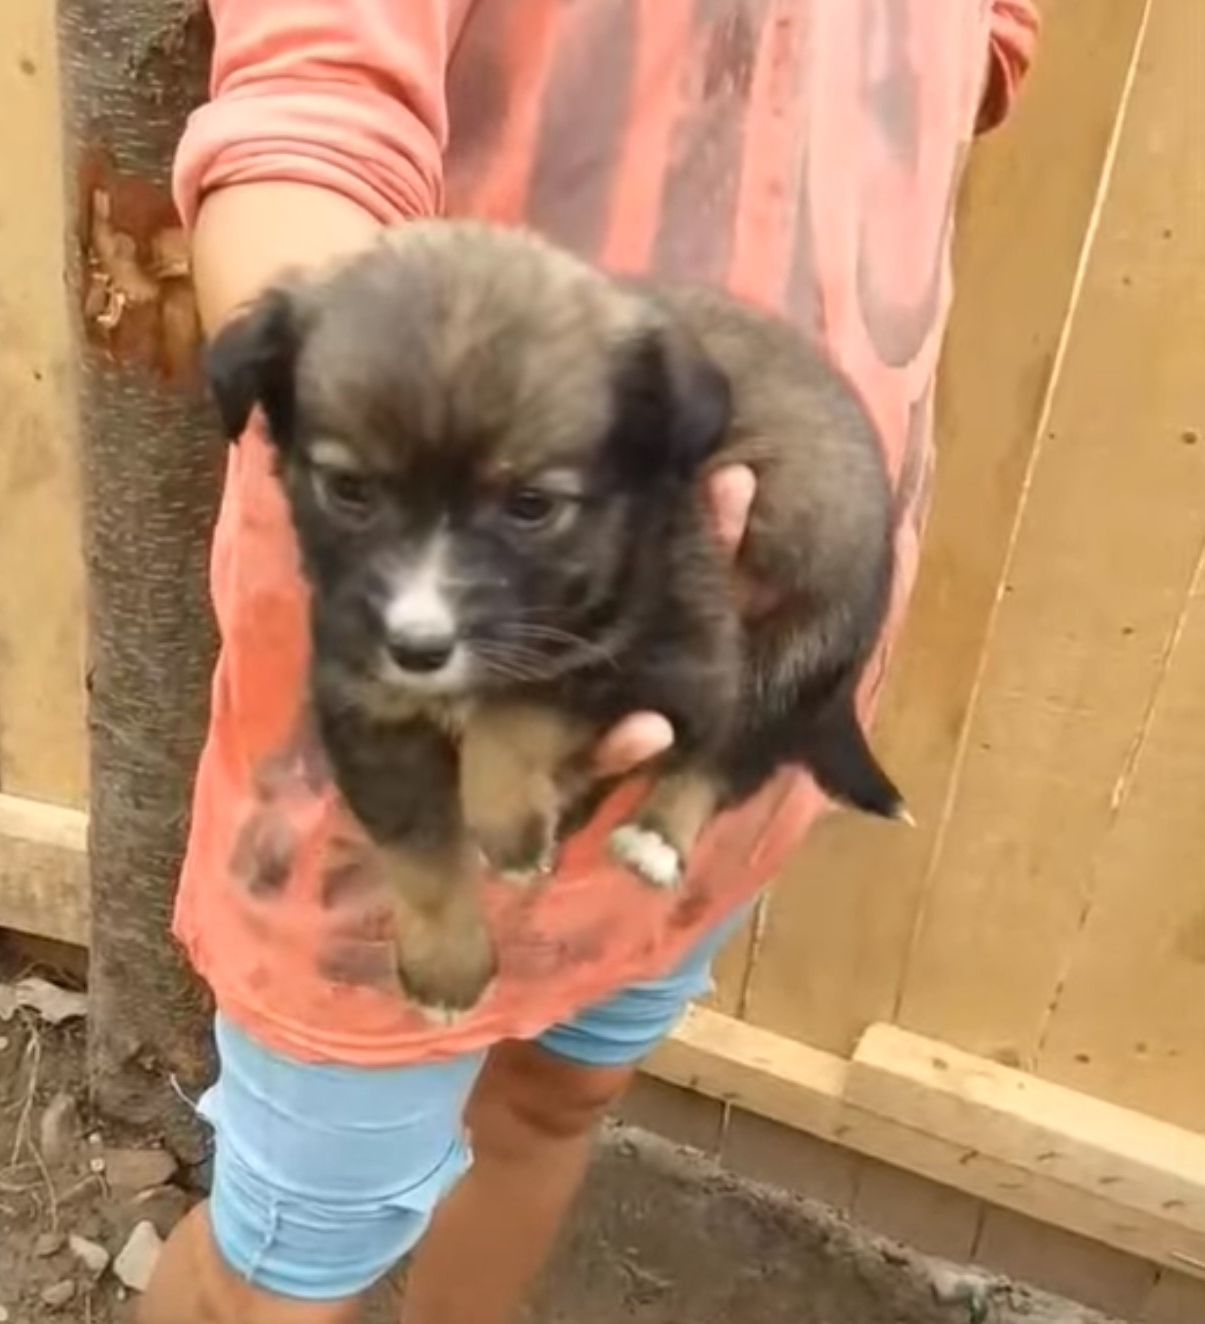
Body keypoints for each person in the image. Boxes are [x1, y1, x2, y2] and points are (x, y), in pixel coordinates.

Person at [143, 3, 1041, 1321]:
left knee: (557, 1101)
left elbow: (970, 57)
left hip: (731, 725)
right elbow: (311, 120)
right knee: (282, 1274)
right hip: (397, 793)